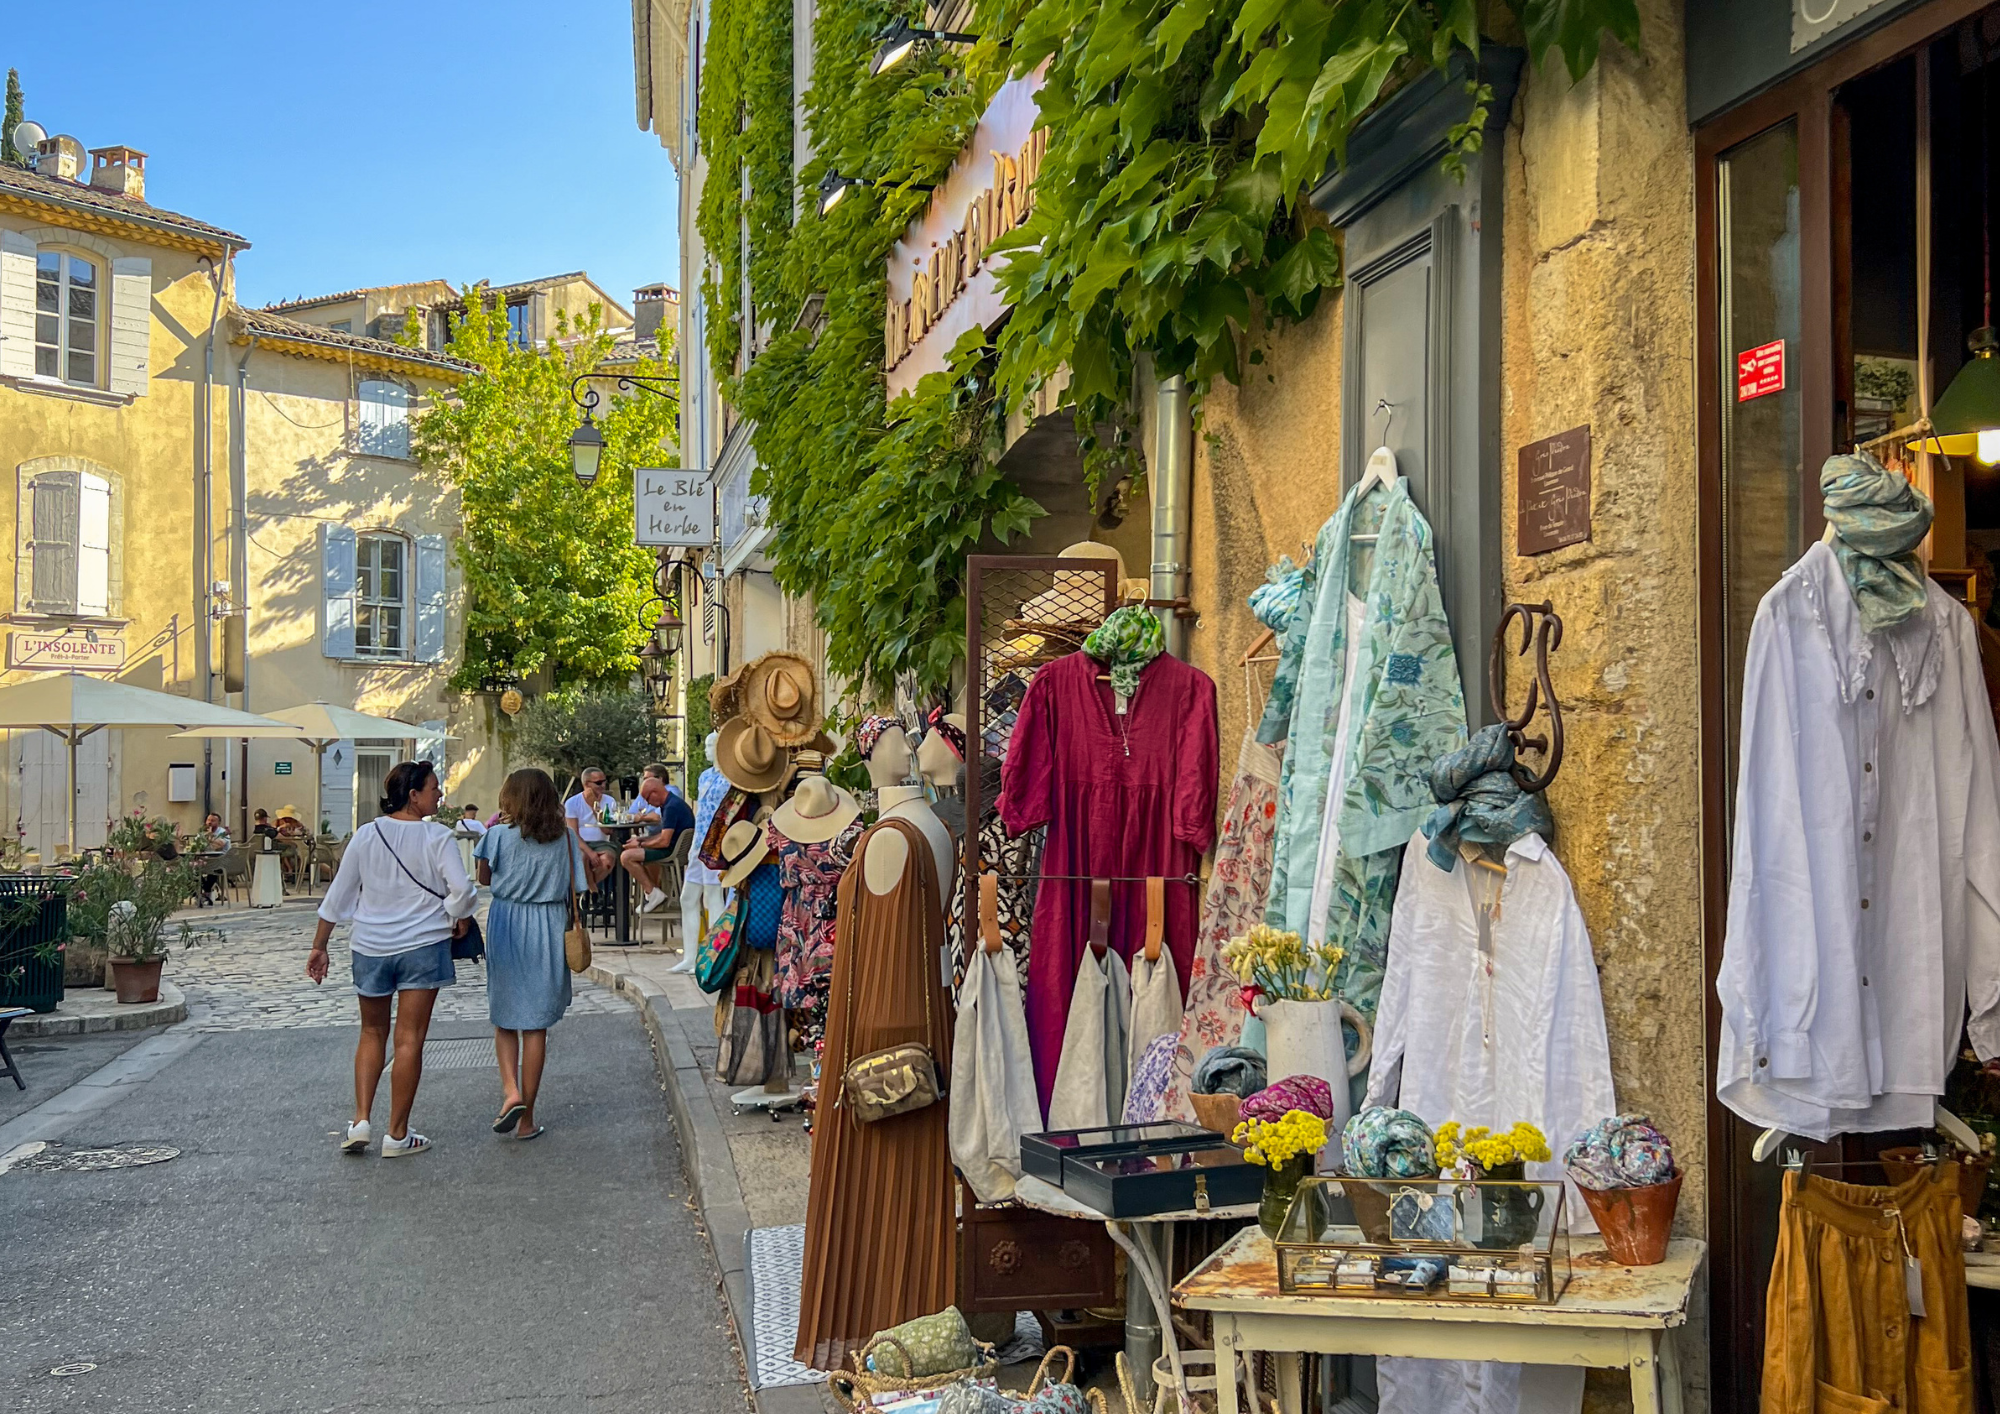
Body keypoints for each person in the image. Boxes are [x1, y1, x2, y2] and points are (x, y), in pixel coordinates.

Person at [306, 761, 476, 1158]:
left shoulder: (367, 834)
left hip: (371, 946)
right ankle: (397, 1134)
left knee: (371, 1033)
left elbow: (339, 895)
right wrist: (456, 913)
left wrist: (320, 945)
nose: (440, 795)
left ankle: (361, 1119)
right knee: (409, 1039)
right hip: (423, 945)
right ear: (413, 795)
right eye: (434, 788)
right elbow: (463, 890)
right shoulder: (438, 837)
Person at [476, 768, 590, 1141]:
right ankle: (527, 1119)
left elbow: (484, 879)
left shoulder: (495, 836)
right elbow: (581, 886)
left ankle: (510, 1092)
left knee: (505, 1015)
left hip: (507, 921)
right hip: (549, 925)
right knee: (536, 1023)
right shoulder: (567, 839)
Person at [622, 767, 696, 913]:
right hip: (673, 848)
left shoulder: (671, 807)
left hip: (672, 852)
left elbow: (664, 841)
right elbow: (663, 835)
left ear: (655, 793)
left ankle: (652, 893)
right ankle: (653, 893)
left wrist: (641, 843)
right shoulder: (669, 803)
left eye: (648, 799)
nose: (649, 804)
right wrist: (643, 839)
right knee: (632, 851)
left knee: (626, 857)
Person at [563, 767, 619, 885]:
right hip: (580, 845)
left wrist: (596, 808)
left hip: (602, 843)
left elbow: (607, 831)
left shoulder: (610, 801)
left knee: (606, 861)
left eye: (605, 781)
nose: (603, 785)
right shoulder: (572, 803)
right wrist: (590, 853)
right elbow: (573, 834)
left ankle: (586, 890)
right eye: (598, 783)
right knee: (582, 858)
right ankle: (591, 891)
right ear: (586, 784)